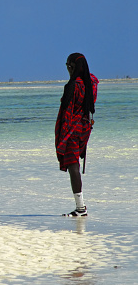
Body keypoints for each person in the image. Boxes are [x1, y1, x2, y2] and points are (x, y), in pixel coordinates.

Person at [55, 53, 98, 217]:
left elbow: (67, 112)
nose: (67, 69)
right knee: (75, 167)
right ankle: (80, 207)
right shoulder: (92, 83)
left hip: (72, 131)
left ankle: (80, 208)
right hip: (84, 129)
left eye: (67, 65)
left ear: (72, 67)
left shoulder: (73, 86)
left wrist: (61, 138)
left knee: (73, 167)